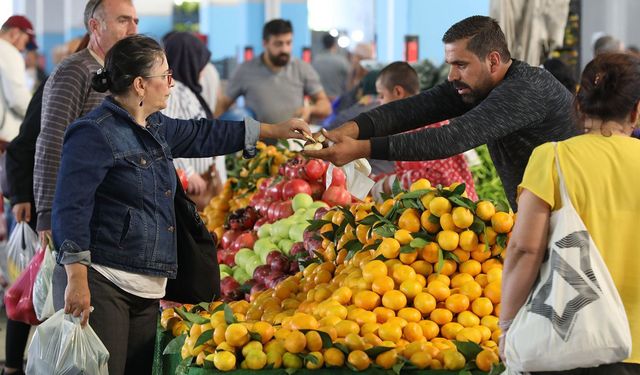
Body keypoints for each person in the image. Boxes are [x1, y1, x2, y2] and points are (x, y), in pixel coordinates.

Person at [51, 35, 309, 374]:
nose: (171, 84)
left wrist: (271, 130)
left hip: (147, 284)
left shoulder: (154, 125)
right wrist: (76, 278)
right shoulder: (94, 133)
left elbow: (203, 134)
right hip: (105, 280)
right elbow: (71, 207)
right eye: (165, 76)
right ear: (141, 85)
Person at [305, 16, 578, 209]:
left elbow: (450, 138)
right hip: (541, 211)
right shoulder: (479, 85)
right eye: (450, 64)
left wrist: (360, 148)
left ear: (493, 60)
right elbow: (413, 109)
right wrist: (348, 130)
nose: (451, 75)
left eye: (460, 64)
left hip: (571, 213)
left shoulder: (524, 89)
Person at [500, 53, 640, 372]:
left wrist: (507, 323)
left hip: (569, 340)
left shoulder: (553, 158)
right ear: (637, 109)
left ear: (578, 104)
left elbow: (525, 249)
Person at [34, 0, 137, 240]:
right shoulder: (75, 70)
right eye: (123, 20)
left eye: (135, 21)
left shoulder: (115, 73)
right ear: (95, 25)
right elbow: (51, 140)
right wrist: (47, 213)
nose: (133, 30)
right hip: (77, 212)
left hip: (108, 211)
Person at [372, 62, 477, 200]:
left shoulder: (429, 123)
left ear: (398, 92)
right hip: (433, 213)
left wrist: (386, 184)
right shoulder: (406, 126)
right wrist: (375, 180)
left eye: (381, 96)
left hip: (456, 213)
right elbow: (409, 173)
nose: (379, 102)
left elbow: (438, 175)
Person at [216, 19, 331, 124]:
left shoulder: (302, 68)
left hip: (292, 142)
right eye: (278, 44)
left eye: (288, 43)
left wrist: (310, 109)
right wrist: (210, 134)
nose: (284, 49)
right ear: (265, 43)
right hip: (257, 143)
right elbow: (223, 104)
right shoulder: (245, 70)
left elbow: (326, 107)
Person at [161, 31, 224, 210]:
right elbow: (167, 136)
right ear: (188, 61)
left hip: (202, 180)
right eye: (200, 63)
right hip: (192, 185)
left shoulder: (186, 91)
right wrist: (188, 173)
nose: (203, 71)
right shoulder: (173, 93)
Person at [0, 15, 37, 145]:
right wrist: (38, 114)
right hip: (5, 136)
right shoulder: (9, 52)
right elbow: (17, 99)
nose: (22, 49)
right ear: (15, 33)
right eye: (25, 42)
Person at [312, 33, 350, 100]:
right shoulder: (341, 61)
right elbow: (350, 79)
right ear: (334, 44)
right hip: (338, 101)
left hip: (320, 100)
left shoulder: (315, 61)